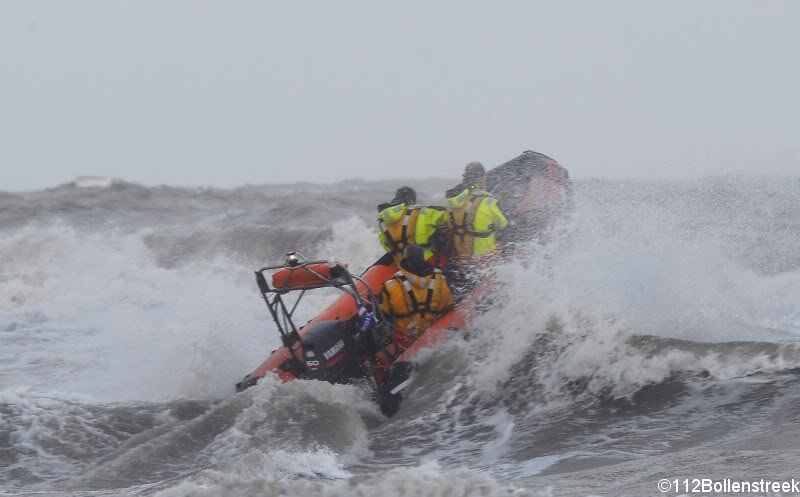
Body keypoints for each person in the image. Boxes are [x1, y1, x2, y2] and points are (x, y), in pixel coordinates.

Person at [378, 244, 454, 348]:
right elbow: (449, 309)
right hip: (436, 339)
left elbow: (381, 317)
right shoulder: (441, 280)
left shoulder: (391, 286)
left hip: (405, 345)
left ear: (405, 260)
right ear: (423, 258)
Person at [445, 161, 509, 258]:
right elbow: (502, 224)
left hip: (461, 257)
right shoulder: (487, 201)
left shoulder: (450, 201)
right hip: (485, 258)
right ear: (481, 177)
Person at [377, 186, 446, 265]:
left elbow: (386, 247)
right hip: (426, 263)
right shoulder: (424, 212)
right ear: (413, 200)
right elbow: (448, 217)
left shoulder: (383, 221)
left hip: (400, 265)